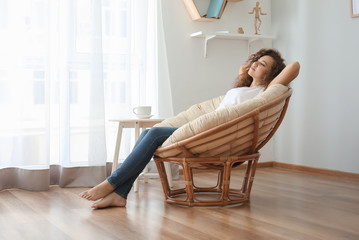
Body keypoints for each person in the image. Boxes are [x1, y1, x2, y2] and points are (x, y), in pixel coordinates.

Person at [79, 48, 300, 209]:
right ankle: (120, 194)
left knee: (153, 133)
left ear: (272, 75)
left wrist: (270, 70)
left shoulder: (266, 90)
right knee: (149, 132)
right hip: (211, 131)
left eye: (263, 64)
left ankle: (112, 183)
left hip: (216, 135)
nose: (255, 63)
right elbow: (240, 86)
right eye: (256, 60)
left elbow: (294, 67)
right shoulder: (244, 88)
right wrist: (248, 69)